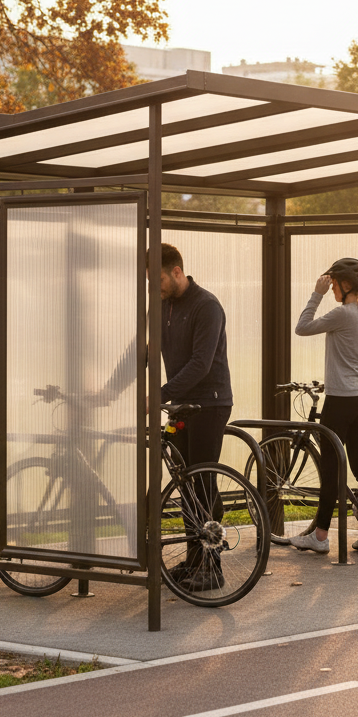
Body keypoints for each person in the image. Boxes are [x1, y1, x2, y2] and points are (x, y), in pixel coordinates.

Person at [152, 243, 233, 589]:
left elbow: (201, 363)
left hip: (210, 403)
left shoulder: (207, 306)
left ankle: (213, 567)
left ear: (176, 271)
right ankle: (194, 559)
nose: (154, 289)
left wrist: (161, 393)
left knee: (202, 484)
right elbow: (142, 350)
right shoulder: (162, 306)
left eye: (157, 281)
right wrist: (110, 389)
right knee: (186, 487)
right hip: (182, 406)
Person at [293, 257, 358, 554]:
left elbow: (302, 327)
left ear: (345, 285)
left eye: (333, 285)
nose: (330, 290)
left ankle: (319, 537)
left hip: (340, 400)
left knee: (330, 469)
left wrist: (315, 293)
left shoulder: (344, 313)